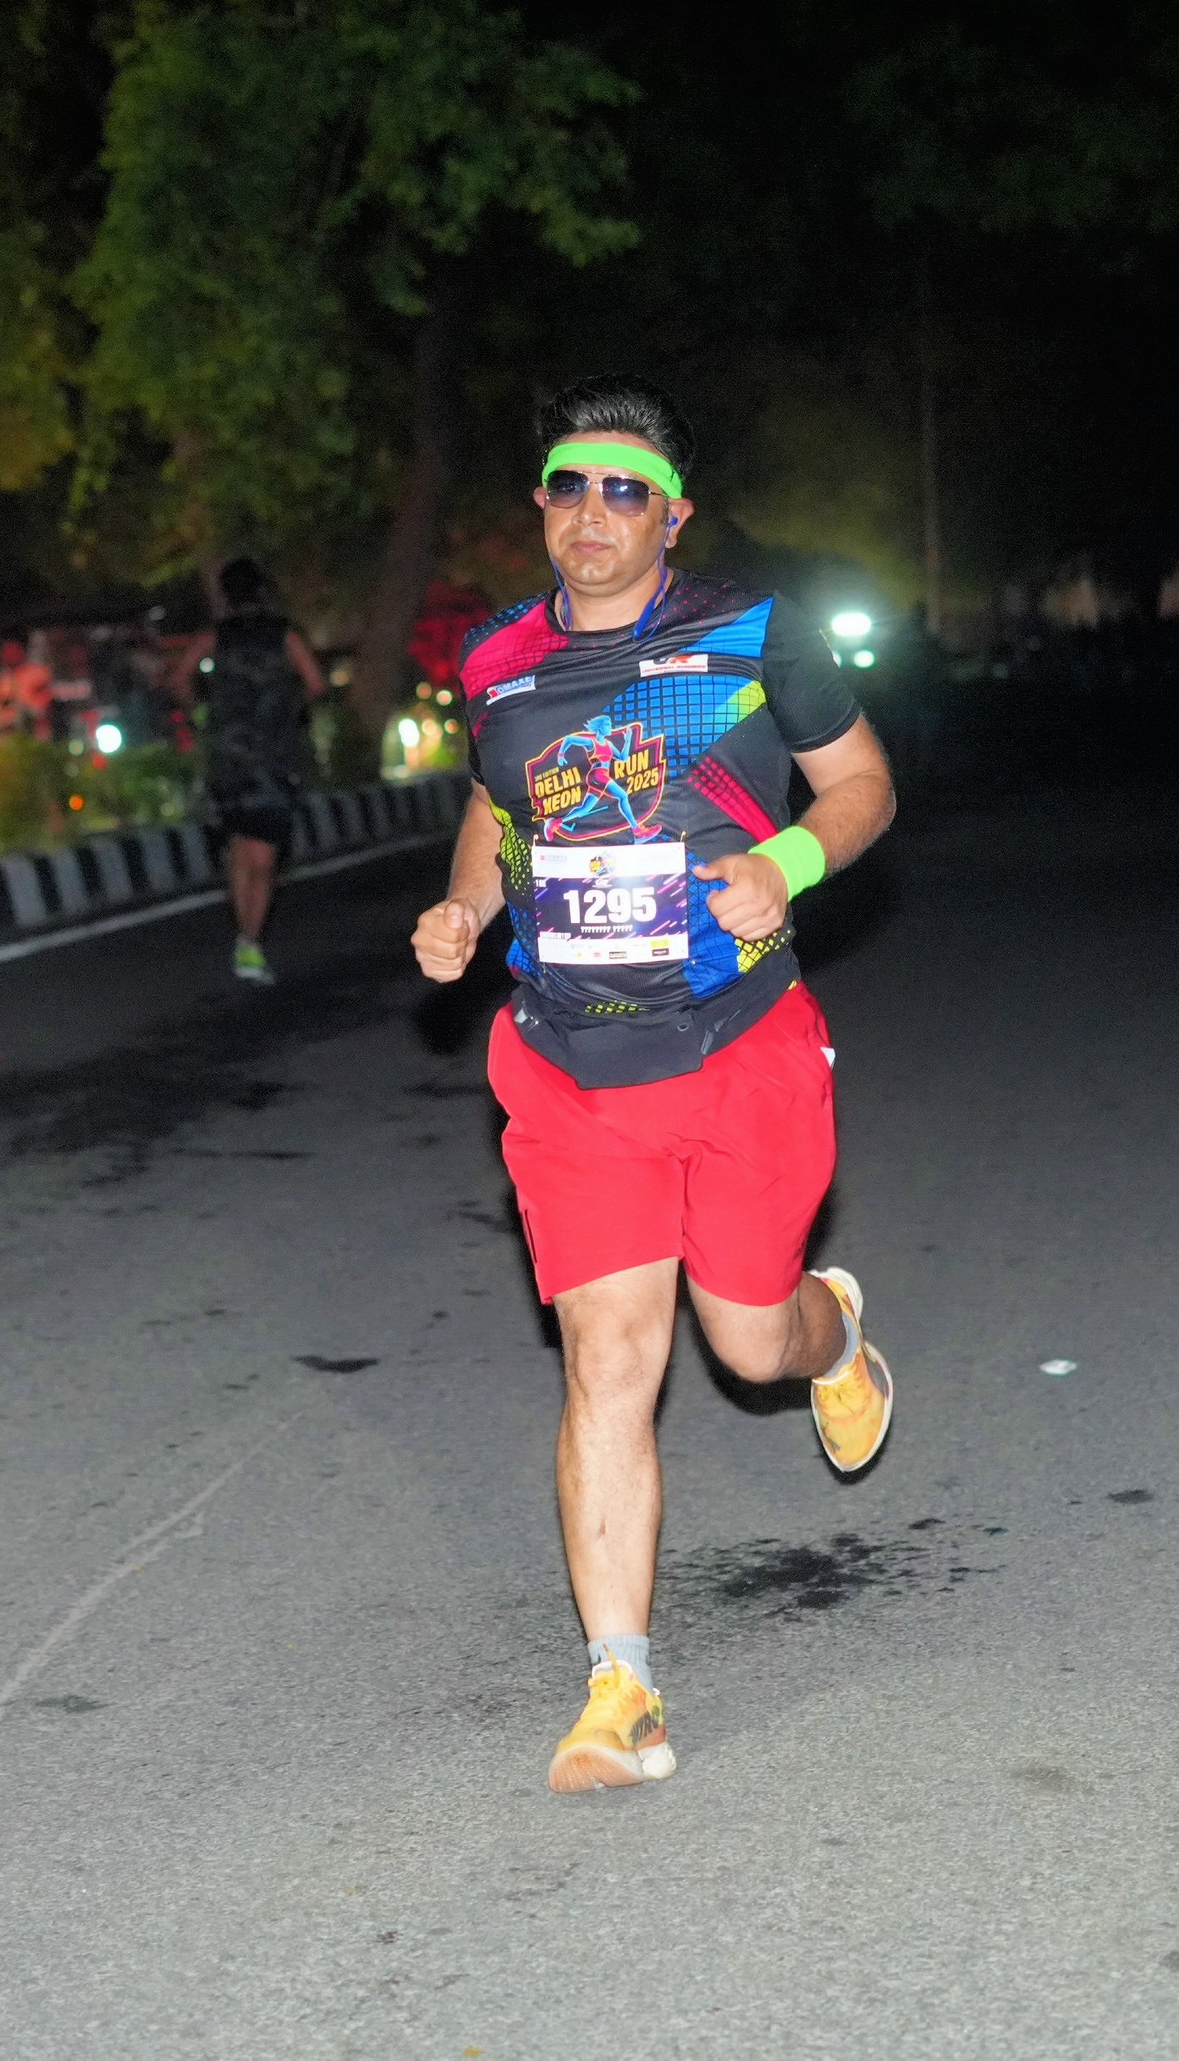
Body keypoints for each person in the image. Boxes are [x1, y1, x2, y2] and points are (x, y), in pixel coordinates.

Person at [409, 374, 899, 1795]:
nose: (594, 512)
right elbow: (495, 805)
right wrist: (467, 908)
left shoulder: (755, 635)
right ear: (543, 505)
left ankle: (835, 1335)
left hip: (738, 1042)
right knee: (609, 1361)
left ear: (672, 516)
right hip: (571, 1063)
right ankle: (619, 1687)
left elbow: (863, 783)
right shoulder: (496, 661)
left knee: (750, 1345)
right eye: (570, 485)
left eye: (626, 489)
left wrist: (784, 864)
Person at [168, 559, 326, 985]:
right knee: (264, 855)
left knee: (239, 847)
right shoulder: (285, 634)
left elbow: (179, 679)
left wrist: (205, 714)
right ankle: (250, 941)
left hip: (228, 756)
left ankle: (245, 937)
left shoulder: (215, 635)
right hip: (273, 756)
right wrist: (288, 710)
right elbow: (316, 684)